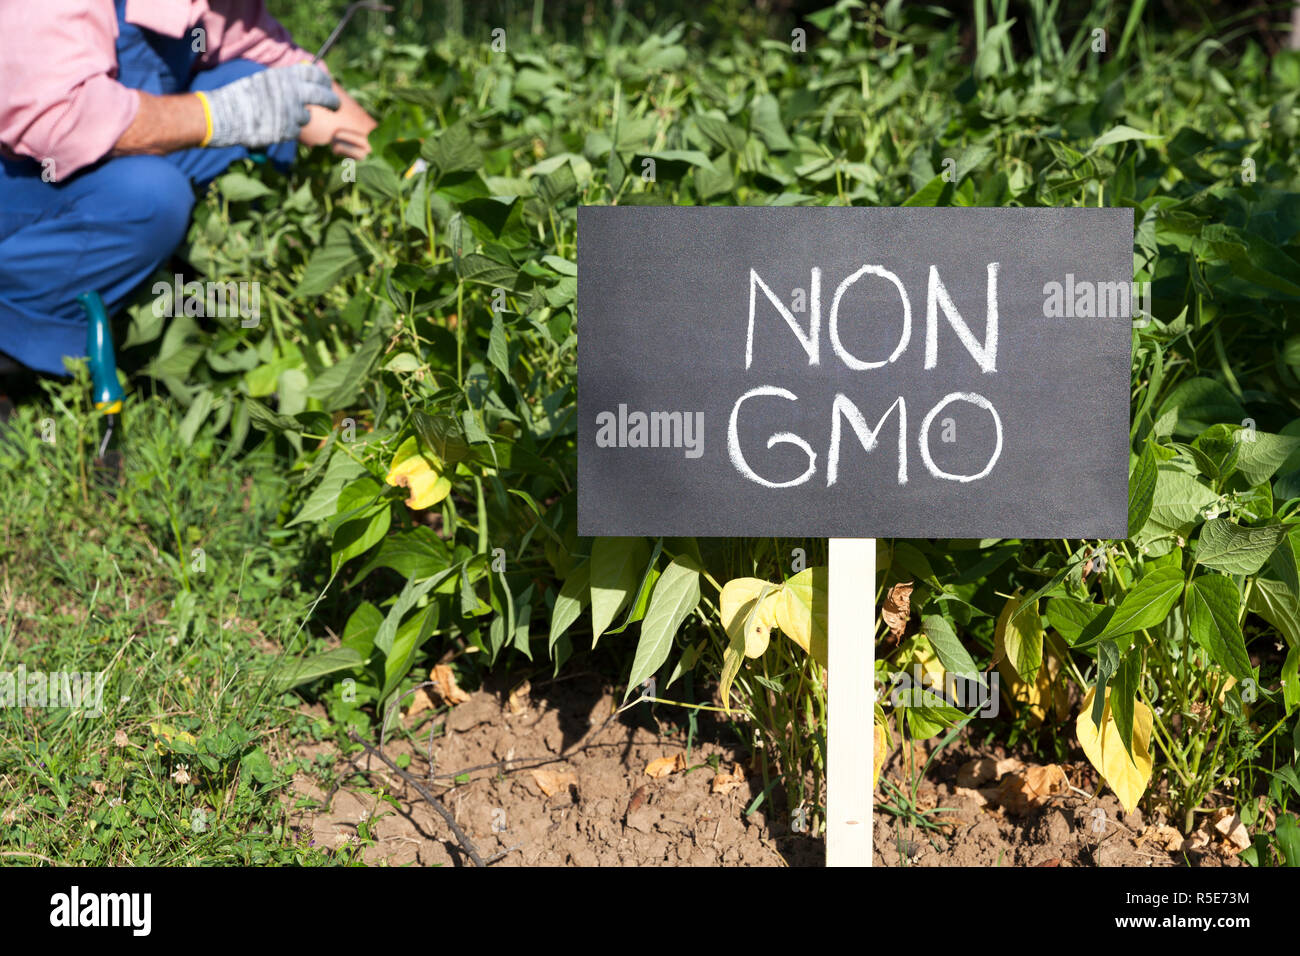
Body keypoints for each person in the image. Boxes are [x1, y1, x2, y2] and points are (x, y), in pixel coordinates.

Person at [0, 0, 377, 377]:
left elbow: (290, 72)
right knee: (152, 197)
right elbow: (59, 119)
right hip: (22, 176)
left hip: (101, 163)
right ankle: (19, 341)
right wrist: (215, 116)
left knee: (256, 81)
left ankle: (218, 303)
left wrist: (404, 172)